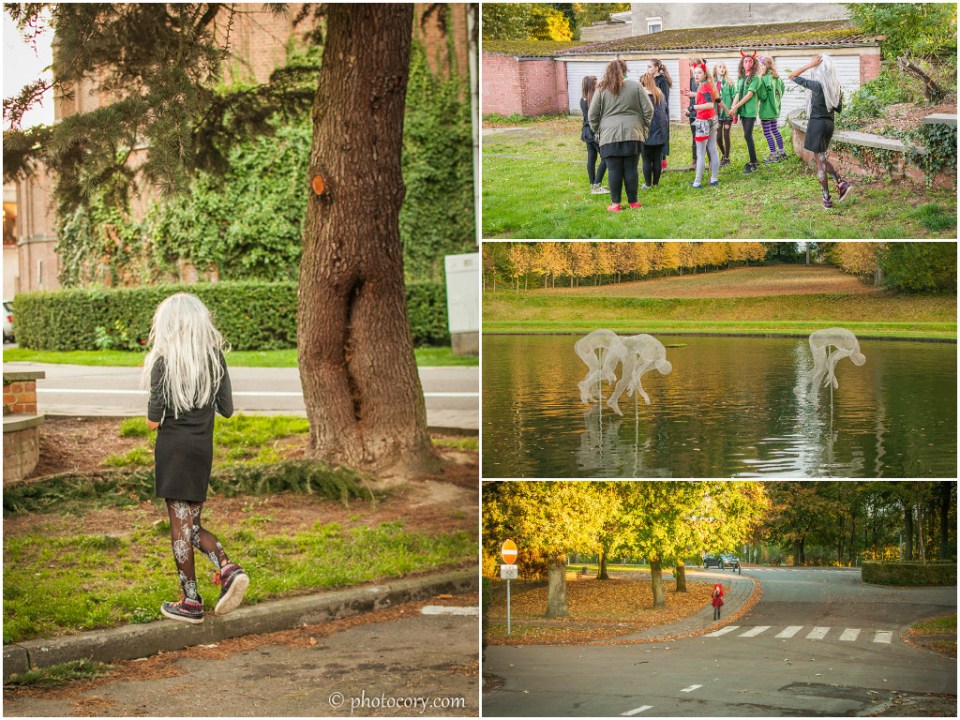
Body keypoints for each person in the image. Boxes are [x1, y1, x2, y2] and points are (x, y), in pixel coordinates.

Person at [143, 293, 248, 624]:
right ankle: (228, 568)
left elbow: (152, 420)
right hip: (202, 449)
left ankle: (190, 600)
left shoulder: (164, 362)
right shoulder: (214, 358)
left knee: (180, 527)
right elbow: (227, 410)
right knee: (194, 525)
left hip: (173, 450)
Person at [788, 54, 853, 209]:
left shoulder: (817, 86)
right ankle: (841, 183)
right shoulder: (835, 88)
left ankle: (827, 199)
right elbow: (838, 108)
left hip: (817, 124)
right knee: (821, 159)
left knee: (819, 163)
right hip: (829, 124)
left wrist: (809, 65)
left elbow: (791, 75)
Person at [589, 59, 654, 212]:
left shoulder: (601, 89)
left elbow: (592, 115)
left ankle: (615, 204)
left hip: (609, 136)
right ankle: (634, 202)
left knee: (613, 170)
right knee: (631, 169)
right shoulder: (636, 86)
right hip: (633, 133)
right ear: (625, 70)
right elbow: (649, 109)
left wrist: (598, 130)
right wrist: (643, 125)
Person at [681, 63, 720, 188]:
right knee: (713, 149)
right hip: (712, 119)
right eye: (695, 73)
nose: (696, 75)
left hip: (703, 121)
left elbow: (709, 104)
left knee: (701, 153)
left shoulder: (704, 87)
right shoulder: (706, 86)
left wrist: (692, 107)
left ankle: (697, 182)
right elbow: (703, 97)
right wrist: (692, 95)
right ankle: (714, 179)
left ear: (705, 74)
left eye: (699, 73)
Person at [729, 49, 761, 174]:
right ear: (742, 64)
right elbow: (738, 93)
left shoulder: (755, 78)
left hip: (750, 111)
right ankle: (753, 161)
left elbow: (749, 95)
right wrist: (733, 108)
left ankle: (754, 162)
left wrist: (735, 107)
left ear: (753, 64)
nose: (747, 63)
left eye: (750, 61)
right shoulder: (741, 78)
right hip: (742, 111)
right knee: (747, 136)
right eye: (745, 61)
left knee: (748, 135)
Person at [639, 72, 669, 189]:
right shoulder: (660, 93)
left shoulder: (642, 95)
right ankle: (656, 184)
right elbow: (664, 111)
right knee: (657, 159)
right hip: (660, 131)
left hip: (646, 131)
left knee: (646, 160)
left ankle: (648, 184)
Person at [580, 76, 608, 195]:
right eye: (596, 84)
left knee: (591, 158)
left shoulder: (583, 99)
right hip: (593, 132)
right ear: (592, 85)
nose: (598, 85)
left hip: (586, 131)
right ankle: (597, 185)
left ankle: (593, 184)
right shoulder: (594, 100)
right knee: (606, 157)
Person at [756, 56, 786, 162]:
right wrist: (776, 100)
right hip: (775, 109)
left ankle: (773, 155)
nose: (759, 68)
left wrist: (758, 89)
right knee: (775, 130)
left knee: (767, 133)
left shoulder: (763, 79)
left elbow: (763, 96)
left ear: (765, 66)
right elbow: (782, 90)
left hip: (766, 110)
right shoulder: (777, 77)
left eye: (761, 65)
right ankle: (782, 152)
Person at [647, 59, 672, 169]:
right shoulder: (649, 79)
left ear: (656, 68)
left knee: (661, 136)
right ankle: (653, 161)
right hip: (651, 113)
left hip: (661, 113)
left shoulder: (662, 81)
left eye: (650, 67)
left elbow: (664, 98)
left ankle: (662, 163)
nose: (648, 69)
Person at [685, 57, 708, 170]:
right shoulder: (691, 80)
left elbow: (704, 96)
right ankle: (695, 160)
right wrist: (688, 95)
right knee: (694, 137)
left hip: (703, 112)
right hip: (693, 113)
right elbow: (693, 97)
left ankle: (708, 159)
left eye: (692, 65)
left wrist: (693, 94)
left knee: (705, 137)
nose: (691, 68)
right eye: (690, 66)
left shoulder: (705, 80)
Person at [713, 61, 737, 168]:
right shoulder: (712, 83)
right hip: (717, 114)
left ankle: (727, 159)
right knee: (718, 137)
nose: (722, 69)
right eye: (720, 67)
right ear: (715, 69)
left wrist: (733, 108)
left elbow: (735, 95)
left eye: (724, 67)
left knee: (726, 135)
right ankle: (723, 154)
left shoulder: (730, 82)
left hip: (727, 113)